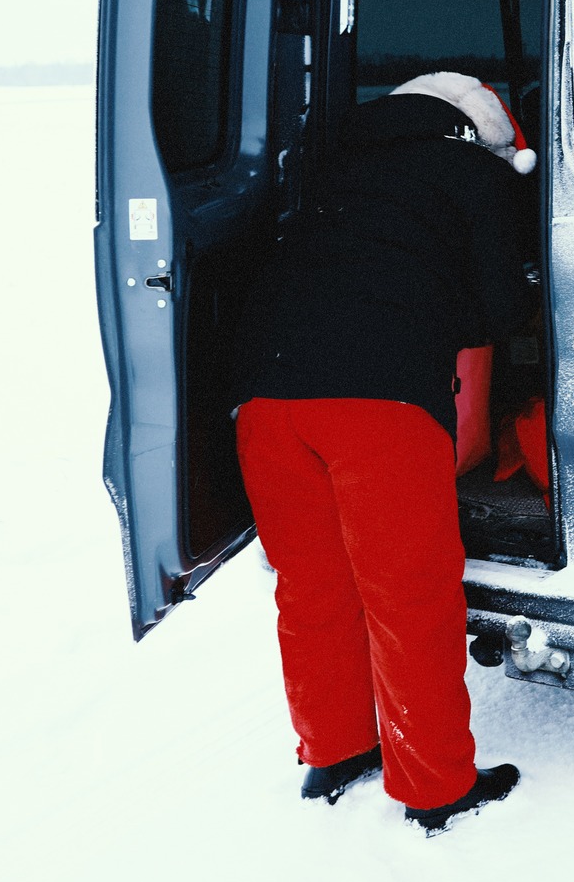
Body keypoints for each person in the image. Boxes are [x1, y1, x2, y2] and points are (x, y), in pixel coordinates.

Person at [231, 71, 539, 833]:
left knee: (312, 587)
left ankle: (333, 752)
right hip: (378, 402)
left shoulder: (332, 168)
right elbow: (503, 306)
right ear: (479, 130)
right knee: (410, 596)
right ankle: (436, 786)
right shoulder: (472, 172)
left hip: (264, 399)